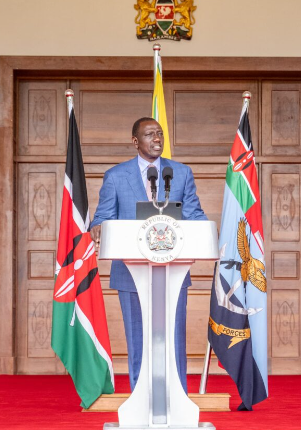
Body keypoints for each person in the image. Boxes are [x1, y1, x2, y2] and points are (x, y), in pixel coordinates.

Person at [89, 117, 207, 392]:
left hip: (173, 271)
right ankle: (139, 399)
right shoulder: (116, 176)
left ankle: (178, 398)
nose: (157, 139)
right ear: (135, 141)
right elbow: (103, 217)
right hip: (131, 272)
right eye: (150, 134)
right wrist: (98, 228)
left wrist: (210, 234)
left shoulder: (181, 172)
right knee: (138, 339)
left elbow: (194, 214)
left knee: (174, 338)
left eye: (160, 134)